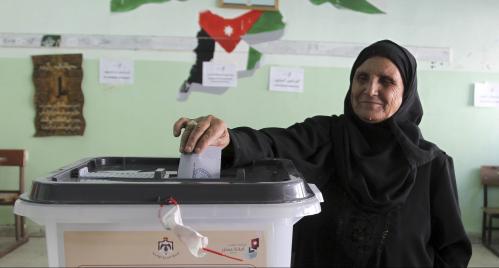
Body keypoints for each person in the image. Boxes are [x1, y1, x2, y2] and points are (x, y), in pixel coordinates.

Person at [173, 40, 472, 267]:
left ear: (406, 93)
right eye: (362, 78)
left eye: (386, 81)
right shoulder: (324, 136)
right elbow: (271, 143)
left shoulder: (431, 164)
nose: (370, 89)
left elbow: (453, 250)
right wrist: (228, 139)